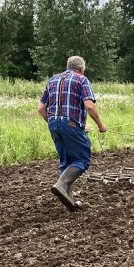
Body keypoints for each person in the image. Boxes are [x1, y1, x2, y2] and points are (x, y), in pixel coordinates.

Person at [38, 56, 107, 211]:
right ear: (81, 68)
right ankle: (61, 185)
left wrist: (55, 123)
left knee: (66, 162)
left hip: (53, 124)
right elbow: (89, 106)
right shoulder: (81, 80)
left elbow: (41, 108)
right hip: (71, 124)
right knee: (82, 160)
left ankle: (69, 202)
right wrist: (100, 125)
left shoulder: (53, 79)